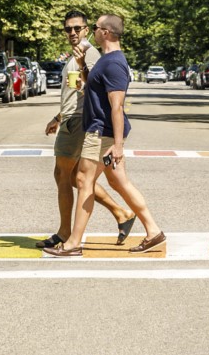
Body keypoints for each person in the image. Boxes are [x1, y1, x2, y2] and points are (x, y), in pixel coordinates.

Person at [44, 13, 165, 257]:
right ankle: (153, 231)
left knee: (82, 181)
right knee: (118, 182)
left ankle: (73, 242)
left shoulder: (113, 63)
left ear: (106, 33)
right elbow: (93, 88)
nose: (93, 32)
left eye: (96, 28)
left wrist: (118, 145)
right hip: (100, 131)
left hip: (101, 132)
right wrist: (81, 67)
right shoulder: (105, 60)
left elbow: (117, 106)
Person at [36, 10, 136, 249]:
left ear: (87, 30)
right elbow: (79, 88)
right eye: (68, 29)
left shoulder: (90, 54)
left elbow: (96, 88)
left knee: (71, 177)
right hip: (72, 118)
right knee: (73, 177)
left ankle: (67, 233)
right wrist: (58, 116)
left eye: (77, 28)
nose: (72, 33)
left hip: (82, 121)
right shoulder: (78, 54)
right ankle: (121, 214)